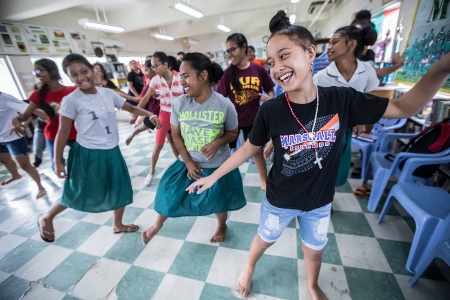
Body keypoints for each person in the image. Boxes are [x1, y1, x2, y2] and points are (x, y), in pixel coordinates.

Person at [186, 10, 450, 299]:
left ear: (310, 53)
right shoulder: (272, 110)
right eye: (272, 62)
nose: (277, 67)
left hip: (319, 203)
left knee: (314, 251)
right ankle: (249, 266)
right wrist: (213, 178)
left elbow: (402, 108)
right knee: (264, 240)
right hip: (280, 200)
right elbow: (250, 148)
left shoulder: (341, 99)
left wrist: (440, 69)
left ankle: (312, 285)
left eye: (285, 55)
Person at [31, 54, 162, 243]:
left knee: (120, 187)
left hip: (111, 150)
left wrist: (150, 114)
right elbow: (63, 131)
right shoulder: (71, 100)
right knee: (78, 190)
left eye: (84, 71)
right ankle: (47, 217)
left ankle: (117, 224)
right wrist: (57, 161)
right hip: (88, 153)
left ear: (93, 71)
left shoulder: (107, 93)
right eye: (74, 74)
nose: (81, 77)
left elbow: (131, 109)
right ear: (69, 78)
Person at [141, 52, 246, 245]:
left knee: (218, 201)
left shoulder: (224, 105)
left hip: (216, 165)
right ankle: (157, 224)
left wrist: (217, 143)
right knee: (168, 193)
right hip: (187, 163)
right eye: (180, 77)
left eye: (186, 75)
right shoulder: (179, 103)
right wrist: (188, 161)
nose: (182, 81)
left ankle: (222, 225)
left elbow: (232, 133)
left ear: (203, 75)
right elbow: (175, 135)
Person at [313, 24, 378, 185]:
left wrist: (361, 119)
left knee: (339, 168)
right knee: (321, 166)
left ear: (352, 44)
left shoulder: (367, 71)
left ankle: (327, 197)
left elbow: (366, 96)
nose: (329, 47)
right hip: (326, 130)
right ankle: (320, 201)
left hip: (346, 129)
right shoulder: (322, 77)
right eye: (329, 43)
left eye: (335, 42)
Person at [216, 33, 275, 190]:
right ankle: (224, 183)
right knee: (226, 154)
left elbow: (270, 90)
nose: (230, 54)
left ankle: (264, 181)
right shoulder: (227, 74)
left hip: (253, 119)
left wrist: (269, 98)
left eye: (232, 49)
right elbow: (220, 99)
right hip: (232, 122)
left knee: (257, 152)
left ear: (244, 48)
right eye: (227, 51)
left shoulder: (258, 69)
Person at [12, 59, 78, 171]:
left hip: (74, 134)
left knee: (83, 163)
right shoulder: (37, 94)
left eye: (40, 70)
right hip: (53, 135)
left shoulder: (72, 91)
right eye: (35, 72)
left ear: (52, 71)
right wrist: (15, 122)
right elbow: (24, 116)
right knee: (57, 166)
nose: (37, 74)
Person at [131, 52, 184, 186]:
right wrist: (135, 114)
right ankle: (151, 172)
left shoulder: (180, 77)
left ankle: (183, 167)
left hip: (181, 116)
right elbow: (145, 98)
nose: (153, 69)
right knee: (158, 145)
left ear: (165, 64)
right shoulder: (156, 80)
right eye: (152, 67)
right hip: (164, 115)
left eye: (156, 66)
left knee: (182, 143)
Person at [0, 92, 47, 198]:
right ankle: (15, 175)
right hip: (0, 139)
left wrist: (47, 115)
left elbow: (29, 110)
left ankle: (41, 187)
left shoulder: (4, 98)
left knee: (25, 165)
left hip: (13, 137)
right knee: (4, 160)